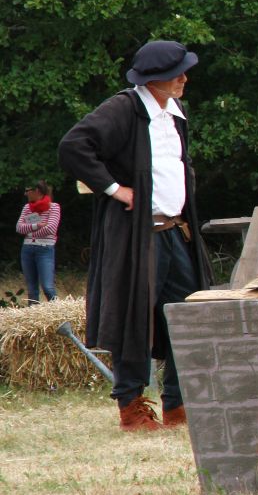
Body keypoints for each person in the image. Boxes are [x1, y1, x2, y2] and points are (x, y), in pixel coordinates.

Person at [58, 40, 212, 431]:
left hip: (175, 232)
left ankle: (178, 404)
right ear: (153, 79)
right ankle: (132, 408)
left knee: (186, 316)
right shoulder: (124, 108)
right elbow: (74, 146)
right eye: (175, 73)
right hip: (137, 236)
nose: (184, 79)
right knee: (135, 318)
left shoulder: (175, 112)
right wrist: (115, 189)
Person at [16, 180, 61, 304]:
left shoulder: (54, 207)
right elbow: (19, 228)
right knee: (31, 289)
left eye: (27, 191)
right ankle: (33, 313)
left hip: (45, 249)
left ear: (37, 191)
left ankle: (59, 311)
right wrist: (37, 225)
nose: (25, 194)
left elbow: (51, 228)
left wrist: (31, 233)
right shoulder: (27, 208)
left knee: (47, 287)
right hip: (27, 249)